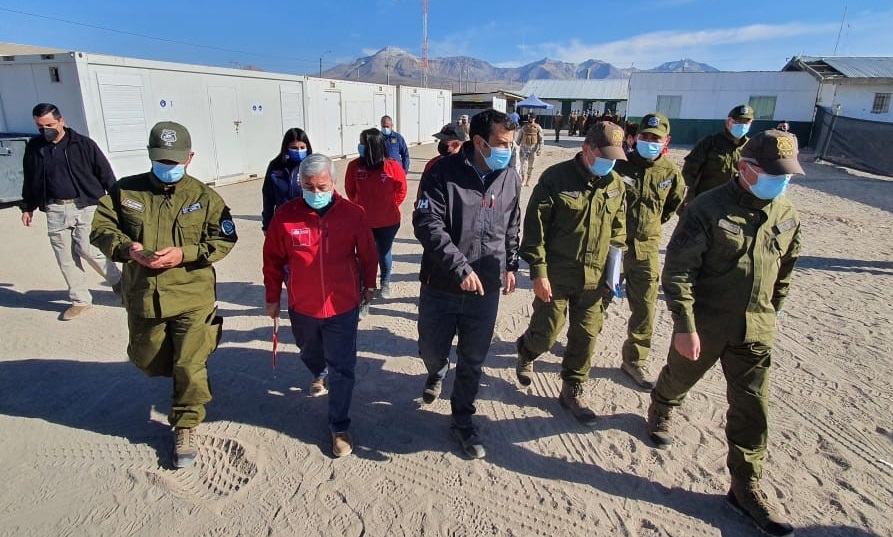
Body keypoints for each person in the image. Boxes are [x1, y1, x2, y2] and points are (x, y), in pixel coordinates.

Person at [646, 130, 803, 537]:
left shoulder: (786, 214)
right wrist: (684, 325)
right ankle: (662, 403)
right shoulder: (706, 209)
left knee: (753, 408)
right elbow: (678, 272)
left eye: (786, 175)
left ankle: (745, 485)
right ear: (746, 168)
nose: (781, 182)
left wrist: (772, 310)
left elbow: (785, 271)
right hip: (706, 326)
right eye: (773, 174)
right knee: (679, 377)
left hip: (756, 329)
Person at [90, 121, 238, 468]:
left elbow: (224, 239)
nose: (168, 167)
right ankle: (186, 380)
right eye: (161, 160)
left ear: (189, 158)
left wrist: (183, 254)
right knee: (148, 359)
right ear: (150, 156)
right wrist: (128, 249)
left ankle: (185, 421)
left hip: (191, 295)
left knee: (189, 362)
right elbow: (101, 229)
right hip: (144, 293)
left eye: (174, 161)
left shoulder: (205, 197)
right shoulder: (126, 193)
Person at [413, 108, 521, 459]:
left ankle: (462, 420)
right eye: (503, 143)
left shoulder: (511, 177)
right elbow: (427, 223)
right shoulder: (440, 173)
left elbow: (511, 223)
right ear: (478, 142)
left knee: (473, 359)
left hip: (485, 289)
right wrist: (460, 268)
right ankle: (437, 370)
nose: (509, 149)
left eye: (512, 142)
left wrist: (510, 264)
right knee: (431, 349)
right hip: (441, 284)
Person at [263, 153, 377, 458]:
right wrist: (272, 296)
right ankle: (317, 370)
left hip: (342, 304)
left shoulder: (353, 214)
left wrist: (370, 283)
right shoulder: (285, 216)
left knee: (343, 366)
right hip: (303, 305)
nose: (316, 192)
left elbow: (367, 252)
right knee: (309, 351)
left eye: (322, 186)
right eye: (309, 186)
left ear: (333, 182)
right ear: (300, 183)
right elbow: (272, 260)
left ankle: (339, 425)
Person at [514, 122, 627, 427]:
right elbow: (535, 231)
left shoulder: (615, 184)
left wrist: (615, 272)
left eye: (615, 157)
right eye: (605, 156)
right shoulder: (555, 179)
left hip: (595, 280)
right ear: (586, 150)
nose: (610, 162)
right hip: (557, 276)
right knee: (547, 333)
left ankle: (572, 388)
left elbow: (619, 230)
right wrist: (538, 272)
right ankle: (526, 349)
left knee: (586, 336)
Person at [21, 103, 122, 320]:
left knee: (87, 247)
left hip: (85, 204)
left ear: (61, 121)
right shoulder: (35, 148)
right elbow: (29, 178)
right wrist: (27, 206)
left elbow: (105, 173)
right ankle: (80, 300)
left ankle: (119, 282)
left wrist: (115, 201)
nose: (45, 129)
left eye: (49, 124)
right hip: (54, 207)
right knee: (65, 257)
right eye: (40, 126)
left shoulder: (83, 144)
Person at [612, 113, 685, 389]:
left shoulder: (670, 174)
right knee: (594, 300)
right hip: (612, 246)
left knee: (644, 307)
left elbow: (670, 208)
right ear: (635, 137)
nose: (649, 141)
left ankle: (633, 360)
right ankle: (578, 349)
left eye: (655, 138)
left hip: (646, 250)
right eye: (644, 136)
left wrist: (649, 228)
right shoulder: (619, 166)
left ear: (666, 141)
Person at [345, 128, 407, 300]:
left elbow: (402, 189)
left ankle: (385, 282)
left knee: (384, 252)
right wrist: (360, 207)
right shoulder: (354, 166)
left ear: (373, 146)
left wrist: (390, 205)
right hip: (363, 222)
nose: (360, 146)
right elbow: (350, 190)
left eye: (363, 143)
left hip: (388, 221)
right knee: (365, 255)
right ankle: (366, 288)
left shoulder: (392, 166)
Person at [681, 105, 754, 206]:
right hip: (706, 202)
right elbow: (688, 173)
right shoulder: (709, 143)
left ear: (751, 123)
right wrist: (689, 199)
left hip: (735, 204)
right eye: (738, 121)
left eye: (746, 122)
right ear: (728, 122)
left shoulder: (752, 147)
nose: (742, 125)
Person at [261, 128, 313, 233]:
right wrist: (267, 225)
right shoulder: (275, 166)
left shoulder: (312, 166)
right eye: (294, 148)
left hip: (307, 222)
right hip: (283, 221)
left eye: (302, 147)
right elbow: (268, 198)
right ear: (286, 148)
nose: (298, 151)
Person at [515, 114, 543, 187]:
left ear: (534, 119)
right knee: (523, 165)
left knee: (531, 165)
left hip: (533, 150)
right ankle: (523, 180)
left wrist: (540, 149)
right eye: (530, 117)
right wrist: (516, 145)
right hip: (524, 149)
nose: (531, 119)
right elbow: (519, 137)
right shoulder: (524, 127)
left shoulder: (538, 127)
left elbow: (541, 139)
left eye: (532, 118)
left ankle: (528, 180)